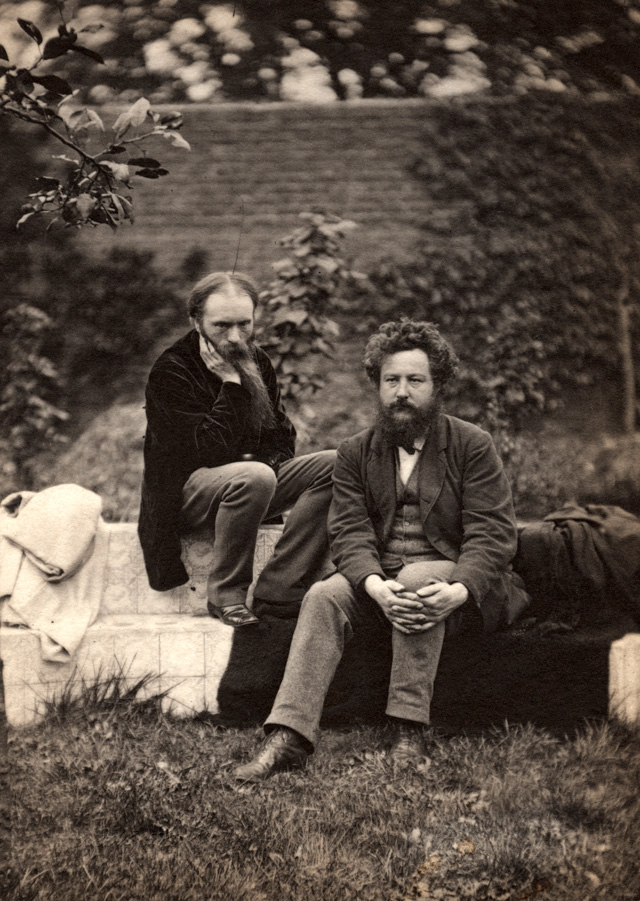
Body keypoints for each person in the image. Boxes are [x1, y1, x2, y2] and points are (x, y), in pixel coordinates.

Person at [234, 319, 530, 779]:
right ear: (377, 384)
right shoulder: (356, 450)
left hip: (456, 586)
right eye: (391, 380)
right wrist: (372, 585)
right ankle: (289, 734)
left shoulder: (473, 445)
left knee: (416, 580)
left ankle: (408, 728)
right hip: (383, 577)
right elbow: (349, 531)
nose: (402, 392)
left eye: (416, 380)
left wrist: (459, 590)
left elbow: (493, 534)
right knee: (323, 595)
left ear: (438, 386)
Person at [138, 271, 335, 627]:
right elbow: (203, 452)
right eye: (221, 326)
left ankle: (283, 582)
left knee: (337, 464)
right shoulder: (172, 370)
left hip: (251, 485)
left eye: (245, 325)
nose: (234, 337)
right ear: (195, 321)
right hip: (186, 493)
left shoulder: (256, 360)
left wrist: (267, 463)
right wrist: (232, 387)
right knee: (255, 475)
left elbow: (281, 436)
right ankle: (226, 597)